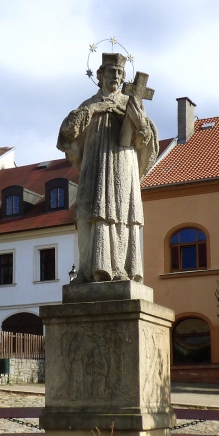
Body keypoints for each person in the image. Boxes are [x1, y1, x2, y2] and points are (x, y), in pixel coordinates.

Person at [57, 53, 159, 283]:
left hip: (123, 164)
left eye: (120, 73)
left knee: (121, 213)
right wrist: (95, 109)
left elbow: (145, 141)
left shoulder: (130, 103)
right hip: (95, 165)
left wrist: (140, 123)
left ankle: (123, 269)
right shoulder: (89, 105)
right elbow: (67, 132)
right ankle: (88, 269)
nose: (116, 76)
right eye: (111, 71)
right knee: (89, 212)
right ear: (100, 75)